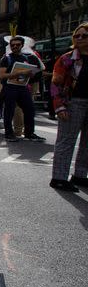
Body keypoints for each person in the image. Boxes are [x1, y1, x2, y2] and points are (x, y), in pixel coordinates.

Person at [50, 22, 88, 191]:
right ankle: (59, 178)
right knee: (66, 141)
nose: (79, 38)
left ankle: (80, 175)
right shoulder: (66, 59)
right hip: (73, 103)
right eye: (76, 36)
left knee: (87, 143)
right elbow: (55, 84)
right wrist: (60, 107)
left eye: (84, 36)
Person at [0, 36, 46, 143]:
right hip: (9, 88)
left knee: (30, 109)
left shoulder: (26, 58)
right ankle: (9, 134)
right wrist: (19, 73)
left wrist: (30, 74)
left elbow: (32, 72)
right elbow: (1, 75)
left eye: (17, 45)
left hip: (22, 87)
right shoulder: (6, 58)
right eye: (12, 45)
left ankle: (29, 133)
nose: (15, 46)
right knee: (9, 111)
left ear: (22, 45)